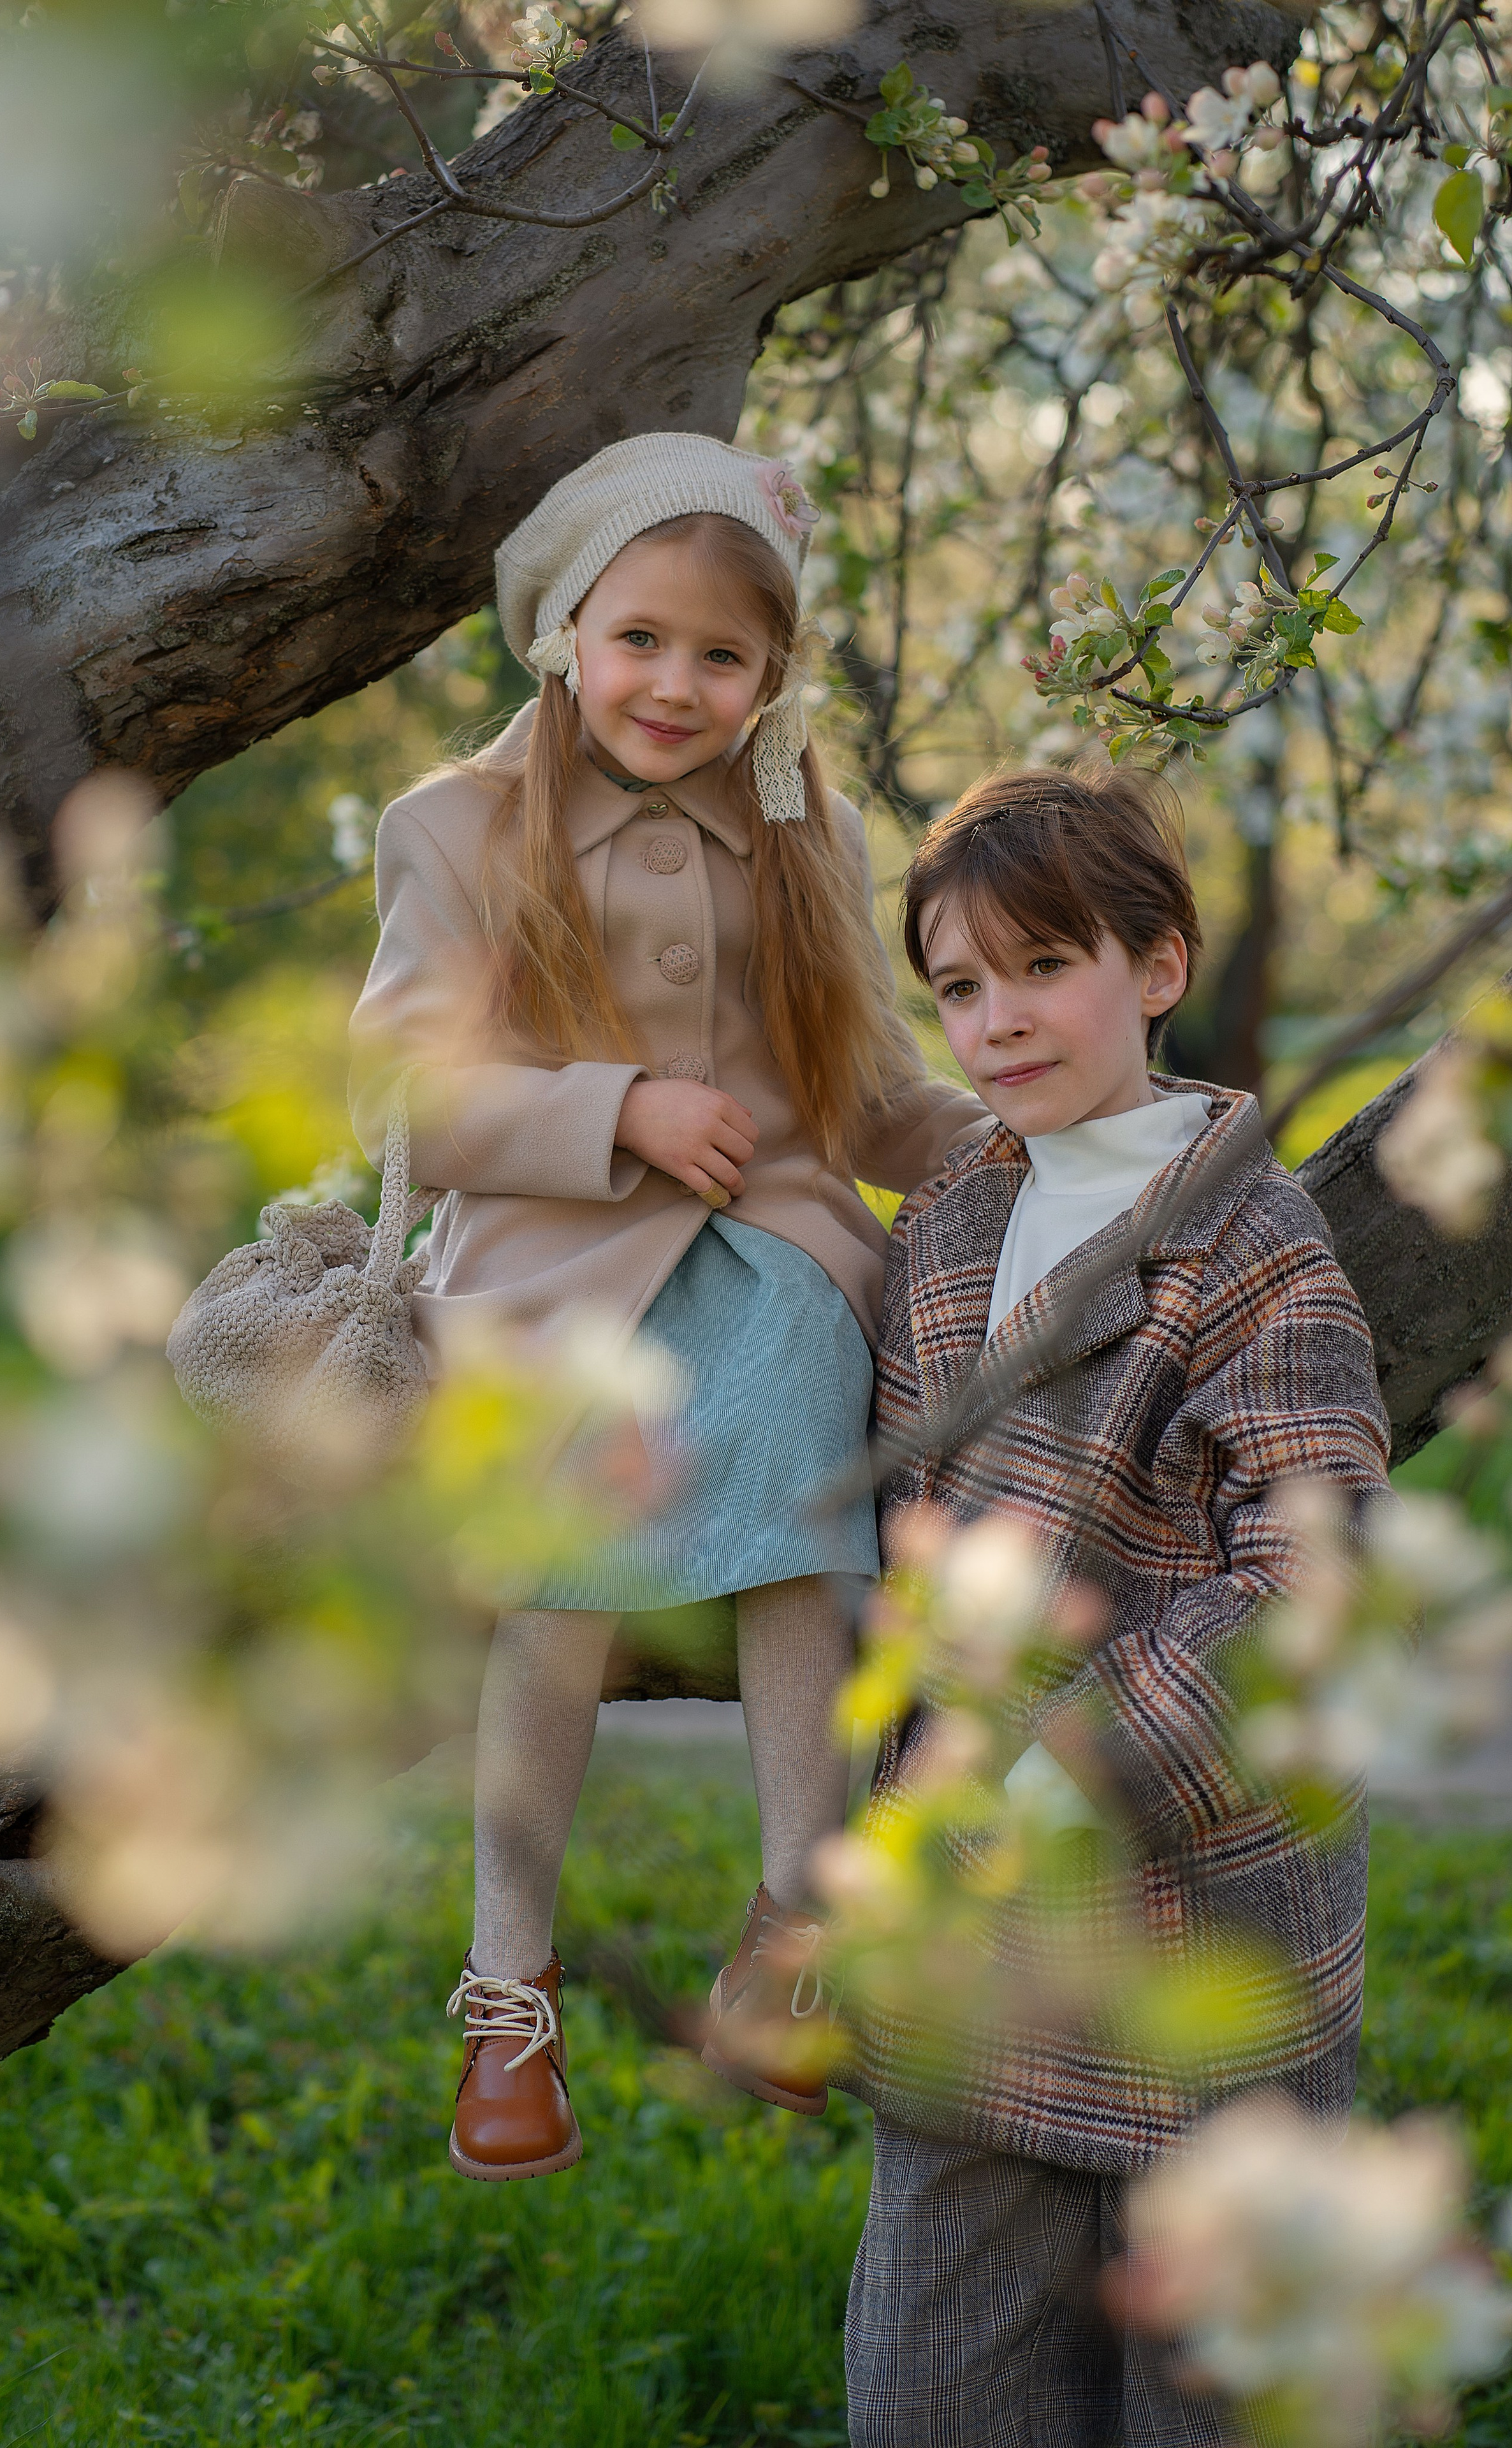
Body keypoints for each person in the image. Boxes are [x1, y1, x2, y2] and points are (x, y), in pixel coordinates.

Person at [349, 432, 985, 2183]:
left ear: (770, 675)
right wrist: (612, 1110)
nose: (675, 684)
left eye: (722, 655)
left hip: (766, 1250)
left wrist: (999, 1148)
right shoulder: (460, 829)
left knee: (802, 1428)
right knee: (563, 1554)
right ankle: (507, 1987)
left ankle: (795, 1923)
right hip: (552, 1273)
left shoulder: (800, 831)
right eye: (641, 639)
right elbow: (409, 1098)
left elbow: (857, 1095)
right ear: (565, 630)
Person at [838, 768, 1392, 2447]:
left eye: (1043, 965)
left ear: (1157, 968)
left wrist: (1065, 1763)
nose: (998, 1019)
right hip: (968, 1968)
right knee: (935, 2392)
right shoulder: (946, 1229)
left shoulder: (1256, 1254)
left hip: (1196, 1951)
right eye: (957, 987)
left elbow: (1311, 1575)